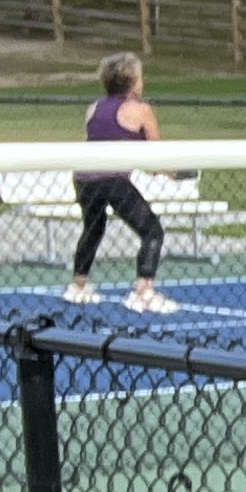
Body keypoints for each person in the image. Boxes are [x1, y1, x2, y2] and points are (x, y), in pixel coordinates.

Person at [63, 52, 177, 314]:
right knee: (152, 231)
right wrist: (171, 171)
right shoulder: (141, 110)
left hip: (84, 178)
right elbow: (155, 154)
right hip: (112, 179)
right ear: (134, 82)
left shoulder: (93, 108)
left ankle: (78, 285)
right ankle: (144, 292)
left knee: (93, 229)